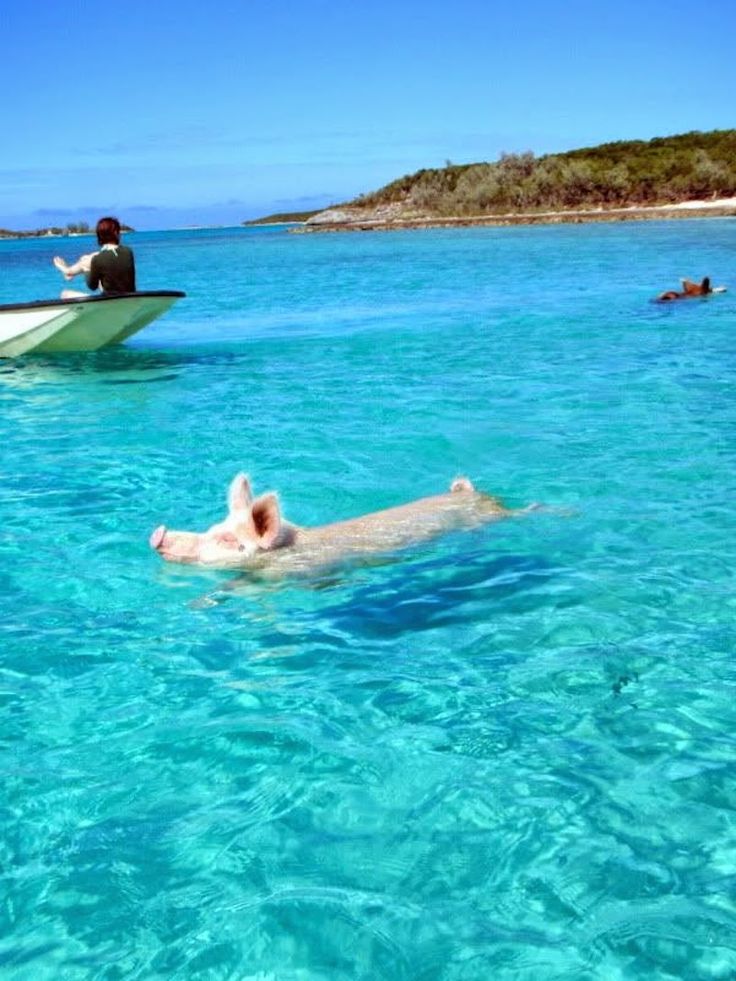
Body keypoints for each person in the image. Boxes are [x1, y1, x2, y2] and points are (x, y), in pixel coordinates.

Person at [53, 216, 136, 298]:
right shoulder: (128, 252)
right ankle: (69, 272)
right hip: (130, 300)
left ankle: (67, 271)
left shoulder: (97, 260)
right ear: (116, 233)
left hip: (109, 303)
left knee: (65, 294)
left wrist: (86, 270)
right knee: (88, 260)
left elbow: (92, 287)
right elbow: (110, 254)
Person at [657, 277, 727, 301]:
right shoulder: (706, 291)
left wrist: (684, 281)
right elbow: (718, 290)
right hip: (683, 297)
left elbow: (686, 282)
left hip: (680, 295)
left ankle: (663, 297)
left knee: (672, 296)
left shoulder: (696, 287)